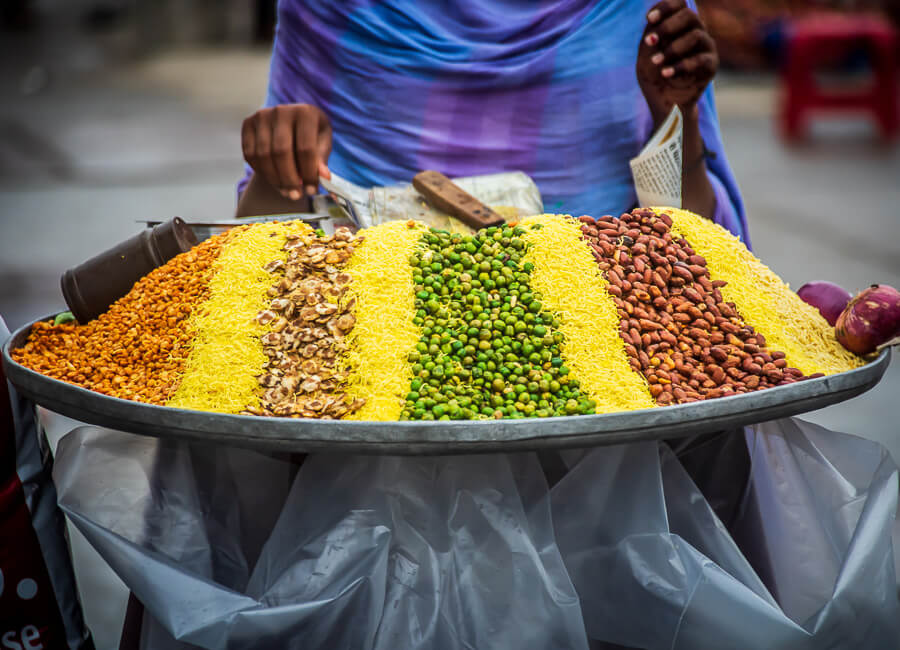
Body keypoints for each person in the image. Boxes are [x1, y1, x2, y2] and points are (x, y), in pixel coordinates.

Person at [235, 0, 748, 245]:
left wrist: (676, 119)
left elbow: (695, 248)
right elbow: (264, 252)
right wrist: (278, 165)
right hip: (368, 350)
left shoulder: (634, 11)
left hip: (605, 353)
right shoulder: (333, 10)